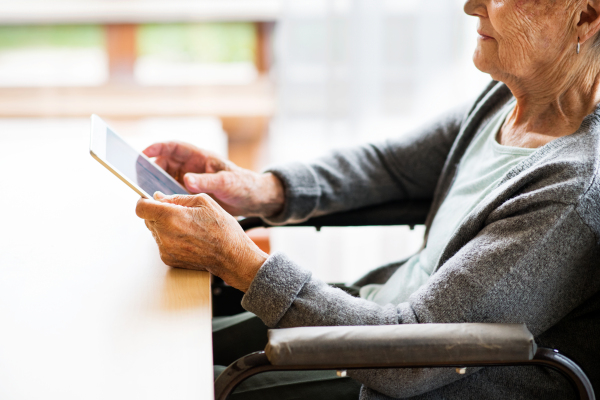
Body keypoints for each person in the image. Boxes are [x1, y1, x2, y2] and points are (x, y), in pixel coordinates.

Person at [135, 0, 600, 398]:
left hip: (405, 377)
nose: (471, 5)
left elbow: (416, 353)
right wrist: (261, 190)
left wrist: (237, 260)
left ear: (585, 17)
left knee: (187, 384)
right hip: (372, 316)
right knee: (170, 343)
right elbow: (391, 166)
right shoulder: (510, 100)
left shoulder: (572, 189)